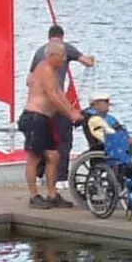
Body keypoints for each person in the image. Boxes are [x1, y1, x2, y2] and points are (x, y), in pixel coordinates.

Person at [29, 25, 93, 197]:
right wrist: (91, 59)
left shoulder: (38, 52)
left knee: (43, 144)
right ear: (61, 37)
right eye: (62, 57)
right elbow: (86, 62)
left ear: (48, 36)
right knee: (64, 140)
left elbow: (29, 80)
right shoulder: (67, 48)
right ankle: (61, 178)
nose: (63, 58)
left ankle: (41, 177)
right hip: (57, 103)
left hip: (41, 108)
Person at [19, 43, 78, 206]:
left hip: (45, 119)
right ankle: (34, 195)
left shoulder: (53, 73)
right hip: (34, 117)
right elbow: (52, 96)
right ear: (52, 56)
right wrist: (69, 114)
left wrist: (73, 111)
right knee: (34, 157)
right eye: (62, 56)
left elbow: (59, 93)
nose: (65, 59)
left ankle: (53, 195)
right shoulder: (44, 69)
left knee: (53, 156)